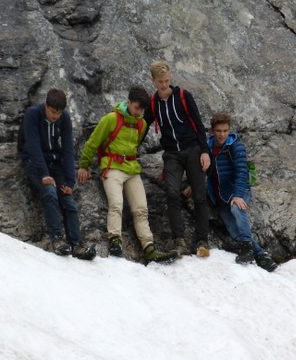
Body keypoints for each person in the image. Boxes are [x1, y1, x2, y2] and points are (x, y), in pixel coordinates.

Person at [77, 86, 178, 264]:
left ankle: (149, 248)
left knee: (141, 209)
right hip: (112, 167)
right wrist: (84, 165)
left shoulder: (142, 124)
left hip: (132, 169)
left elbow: (136, 146)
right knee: (116, 204)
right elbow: (93, 142)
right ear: (128, 102)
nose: (139, 112)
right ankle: (115, 240)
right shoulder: (111, 119)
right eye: (136, 107)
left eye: (142, 109)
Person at [20, 89, 96, 260]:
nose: (56, 116)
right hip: (35, 163)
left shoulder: (65, 118)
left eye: (59, 112)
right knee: (50, 193)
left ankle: (76, 244)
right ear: (46, 105)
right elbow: (33, 147)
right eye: (53, 112)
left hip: (55, 164)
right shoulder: (32, 115)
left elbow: (68, 150)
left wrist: (70, 183)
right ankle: (57, 239)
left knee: (68, 200)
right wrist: (44, 174)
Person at [145, 61, 211, 257]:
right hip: (172, 154)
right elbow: (142, 126)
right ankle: (179, 240)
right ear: (153, 81)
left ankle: (202, 240)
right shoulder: (153, 103)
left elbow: (199, 125)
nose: (164, 85)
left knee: (199, 195)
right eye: (160, 82)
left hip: (192, 150)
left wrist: (205, 151)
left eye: (166, 81)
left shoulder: (184, 96)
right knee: (172, 193)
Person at [205, 113, 277, 272]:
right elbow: (205, 169)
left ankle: (247, 249)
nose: (222, 134)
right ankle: (262, 256)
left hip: (238, 188)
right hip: (220, 194)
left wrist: (237, 195)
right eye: (218, 131)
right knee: (231, 227)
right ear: (212, 131)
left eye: (225, 130)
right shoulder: (208, 146)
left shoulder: (235, 146)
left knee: (237, 208)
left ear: (229, 130)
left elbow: (242, 172)